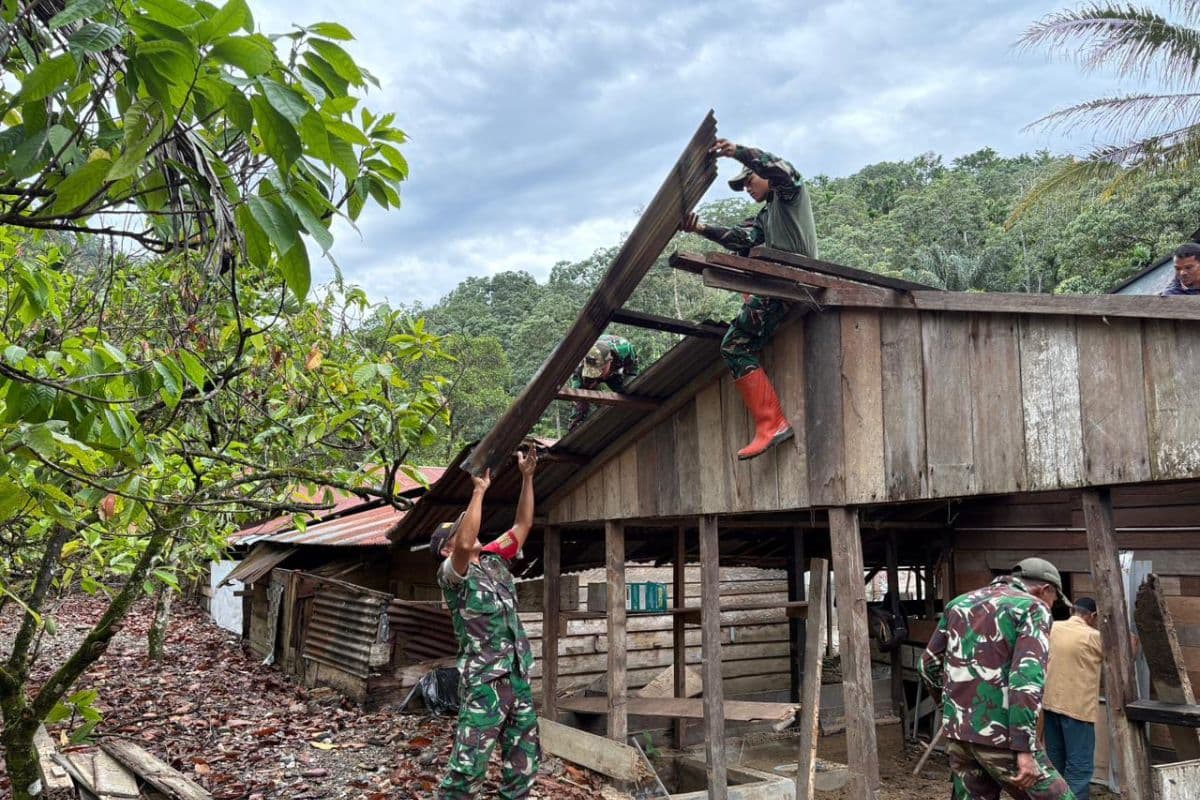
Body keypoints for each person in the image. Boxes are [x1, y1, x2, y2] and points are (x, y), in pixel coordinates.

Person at [680, 138, 818, 460]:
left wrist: (737, 152)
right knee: (741, 324)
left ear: (763, 173)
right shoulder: (766, 216)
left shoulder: (790, 193)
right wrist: (699, 228)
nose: (746, 189)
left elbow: (779, 168)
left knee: (735, 344)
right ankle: (771, 423)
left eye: (749, 180)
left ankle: (772, 424)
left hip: (789, 281)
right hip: (778, 284)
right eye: (741, 186)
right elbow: (741, 238)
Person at [432, 448, 540, 799]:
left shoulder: (493, 559)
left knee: (523, 766)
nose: (473, 531)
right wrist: (478, 490)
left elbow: (522, 526)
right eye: (463, 530)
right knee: (468, 770)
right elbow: (464, 542)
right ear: (446, 549)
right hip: (485, 683)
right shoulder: (452, 573)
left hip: (517, 677)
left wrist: (527, 478)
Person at [919, 558, 1074, 800]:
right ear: (1045, 590)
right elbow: (1026, 679)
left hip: (960, 736)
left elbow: (927, 665)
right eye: (1054, 601)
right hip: (1003, 737)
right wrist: (1024, 749)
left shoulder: (959, 604)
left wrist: (952, 710)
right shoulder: (1032, 608)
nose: (1052, 607)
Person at [1043, 598, 1104, 799]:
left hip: (1050, 705)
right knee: (1079, 769)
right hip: (1078, 710)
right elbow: (1124, 656)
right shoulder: (1094, 636)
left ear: (1072, 610)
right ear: (1093, 616)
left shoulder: (1054, 628)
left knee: (1055, 763)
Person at [567, 333, 639, 431]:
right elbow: (577, 396)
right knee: (583, 404)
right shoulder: (579, 368)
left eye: (599, 370)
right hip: (590, 378)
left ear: (609, 361)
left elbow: (633, 368)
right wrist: (576, 421)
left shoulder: (624, 347)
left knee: (630, 389)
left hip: (616, 374)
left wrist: (630, 384)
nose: (598, 374)